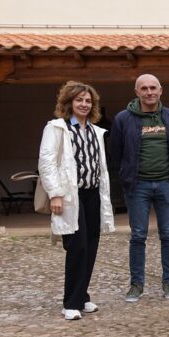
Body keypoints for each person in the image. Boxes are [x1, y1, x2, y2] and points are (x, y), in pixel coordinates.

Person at [38, 81, 115, 320]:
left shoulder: (95, 131)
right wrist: (55, 194)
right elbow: (47, 162)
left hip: (93, 194)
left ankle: (82, 297)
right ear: (69, 102)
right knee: (77, 246)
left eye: (88, 100)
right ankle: (70, 302)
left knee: (91, 245)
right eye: (79, 100)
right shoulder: (57, 128)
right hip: (71, 196)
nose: (84, 104)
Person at [110, 74, 169, 302]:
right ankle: (136, 284)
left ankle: (168, 281)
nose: (149, 92)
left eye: (153, 88)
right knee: (138, 235)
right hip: (137, 185)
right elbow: (116, 152)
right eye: (144, 88)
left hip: (165, 184)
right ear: (137, 91)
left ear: (161, 90)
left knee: (168, 234)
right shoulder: (123, 119)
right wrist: (126, 178)